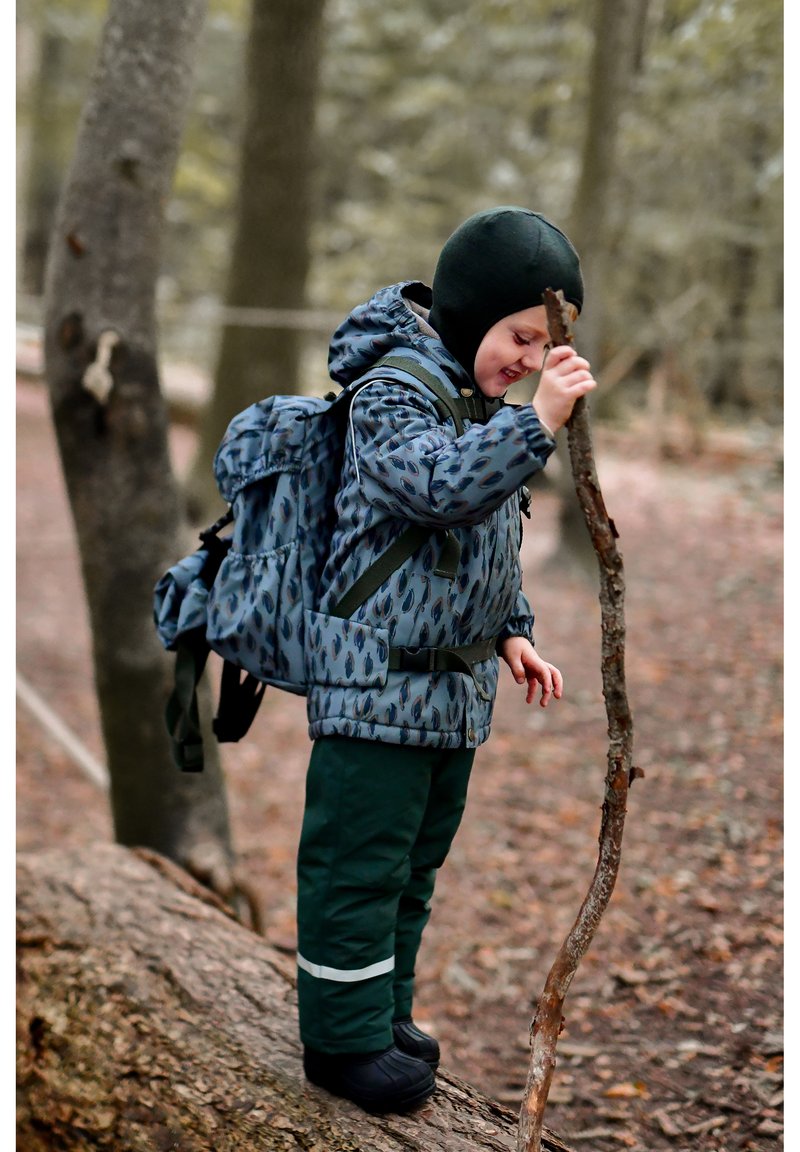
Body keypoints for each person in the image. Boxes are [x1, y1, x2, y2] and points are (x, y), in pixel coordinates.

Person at [296, 205, 596, 1114]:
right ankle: (338, 1043)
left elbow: (486, 540)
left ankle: (380, 1012)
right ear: (470, 313)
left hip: (447, 693)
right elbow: (435, 490)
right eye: (519, 336)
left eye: (544, 346)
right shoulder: (394, 391)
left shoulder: (482, 406)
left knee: (412, 867)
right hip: (375, 682)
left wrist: (512, 629)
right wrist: (538, 421)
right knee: (359, 862)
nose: (530, 361)